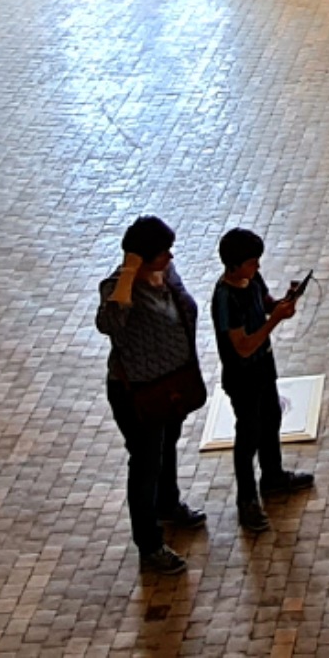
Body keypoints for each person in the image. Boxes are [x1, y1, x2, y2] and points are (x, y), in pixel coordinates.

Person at [94, 215, 206, 572]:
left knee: (166, 446)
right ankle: (149, 544)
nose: (170, 258)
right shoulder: (118, 287)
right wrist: (128, 274)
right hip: (138, 393)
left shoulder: (166, 275)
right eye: (162, 253)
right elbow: (108, 324)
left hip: (171, 382)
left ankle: (168, 504)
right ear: (140, 258)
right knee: (144, 464)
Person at [210, 227, 316, 529]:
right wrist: (275, 321)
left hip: (264, 367)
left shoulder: (252, 279)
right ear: (234, 264)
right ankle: (247, 500)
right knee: (248, 436)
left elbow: (267, 302)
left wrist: (284, 302)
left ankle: (273, 476)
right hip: (242, 375)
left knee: (271, 418)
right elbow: (242, 346)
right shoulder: (225, 299)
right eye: (252, 262)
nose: (257, 267)